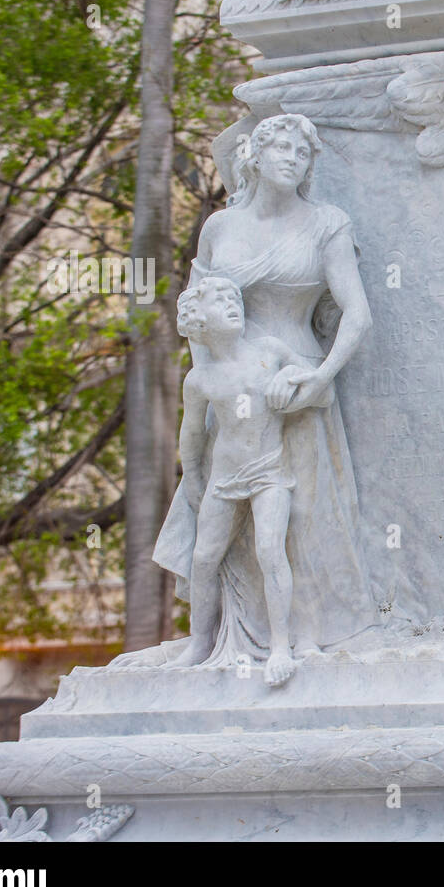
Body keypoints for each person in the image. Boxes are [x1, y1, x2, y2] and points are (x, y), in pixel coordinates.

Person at [153, 113, 375, 664]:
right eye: (281, 148)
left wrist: (321, 375)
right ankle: (224, 638)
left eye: (303, 153)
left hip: (296, 379)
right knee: (221, 530)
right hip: (231, 383)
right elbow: (197, 310)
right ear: (254, 155)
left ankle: (306, 636)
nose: (292, 159)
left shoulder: (327, 222)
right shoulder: (221, 229)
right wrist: (212, 378)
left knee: (300, 516)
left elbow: (357, 314)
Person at [173, 277, 308, 686]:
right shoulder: (200, 379)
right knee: (202, 559)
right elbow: (191, 434)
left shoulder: (268, 351)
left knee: (270, 550)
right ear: (199, 322)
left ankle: (281, 646)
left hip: (270, 471)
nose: (234, 305)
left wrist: (293, 379)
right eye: (220, 302)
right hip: (225, 477)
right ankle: (199, 642)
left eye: (235, 299)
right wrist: (193, 479)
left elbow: (316, 383)